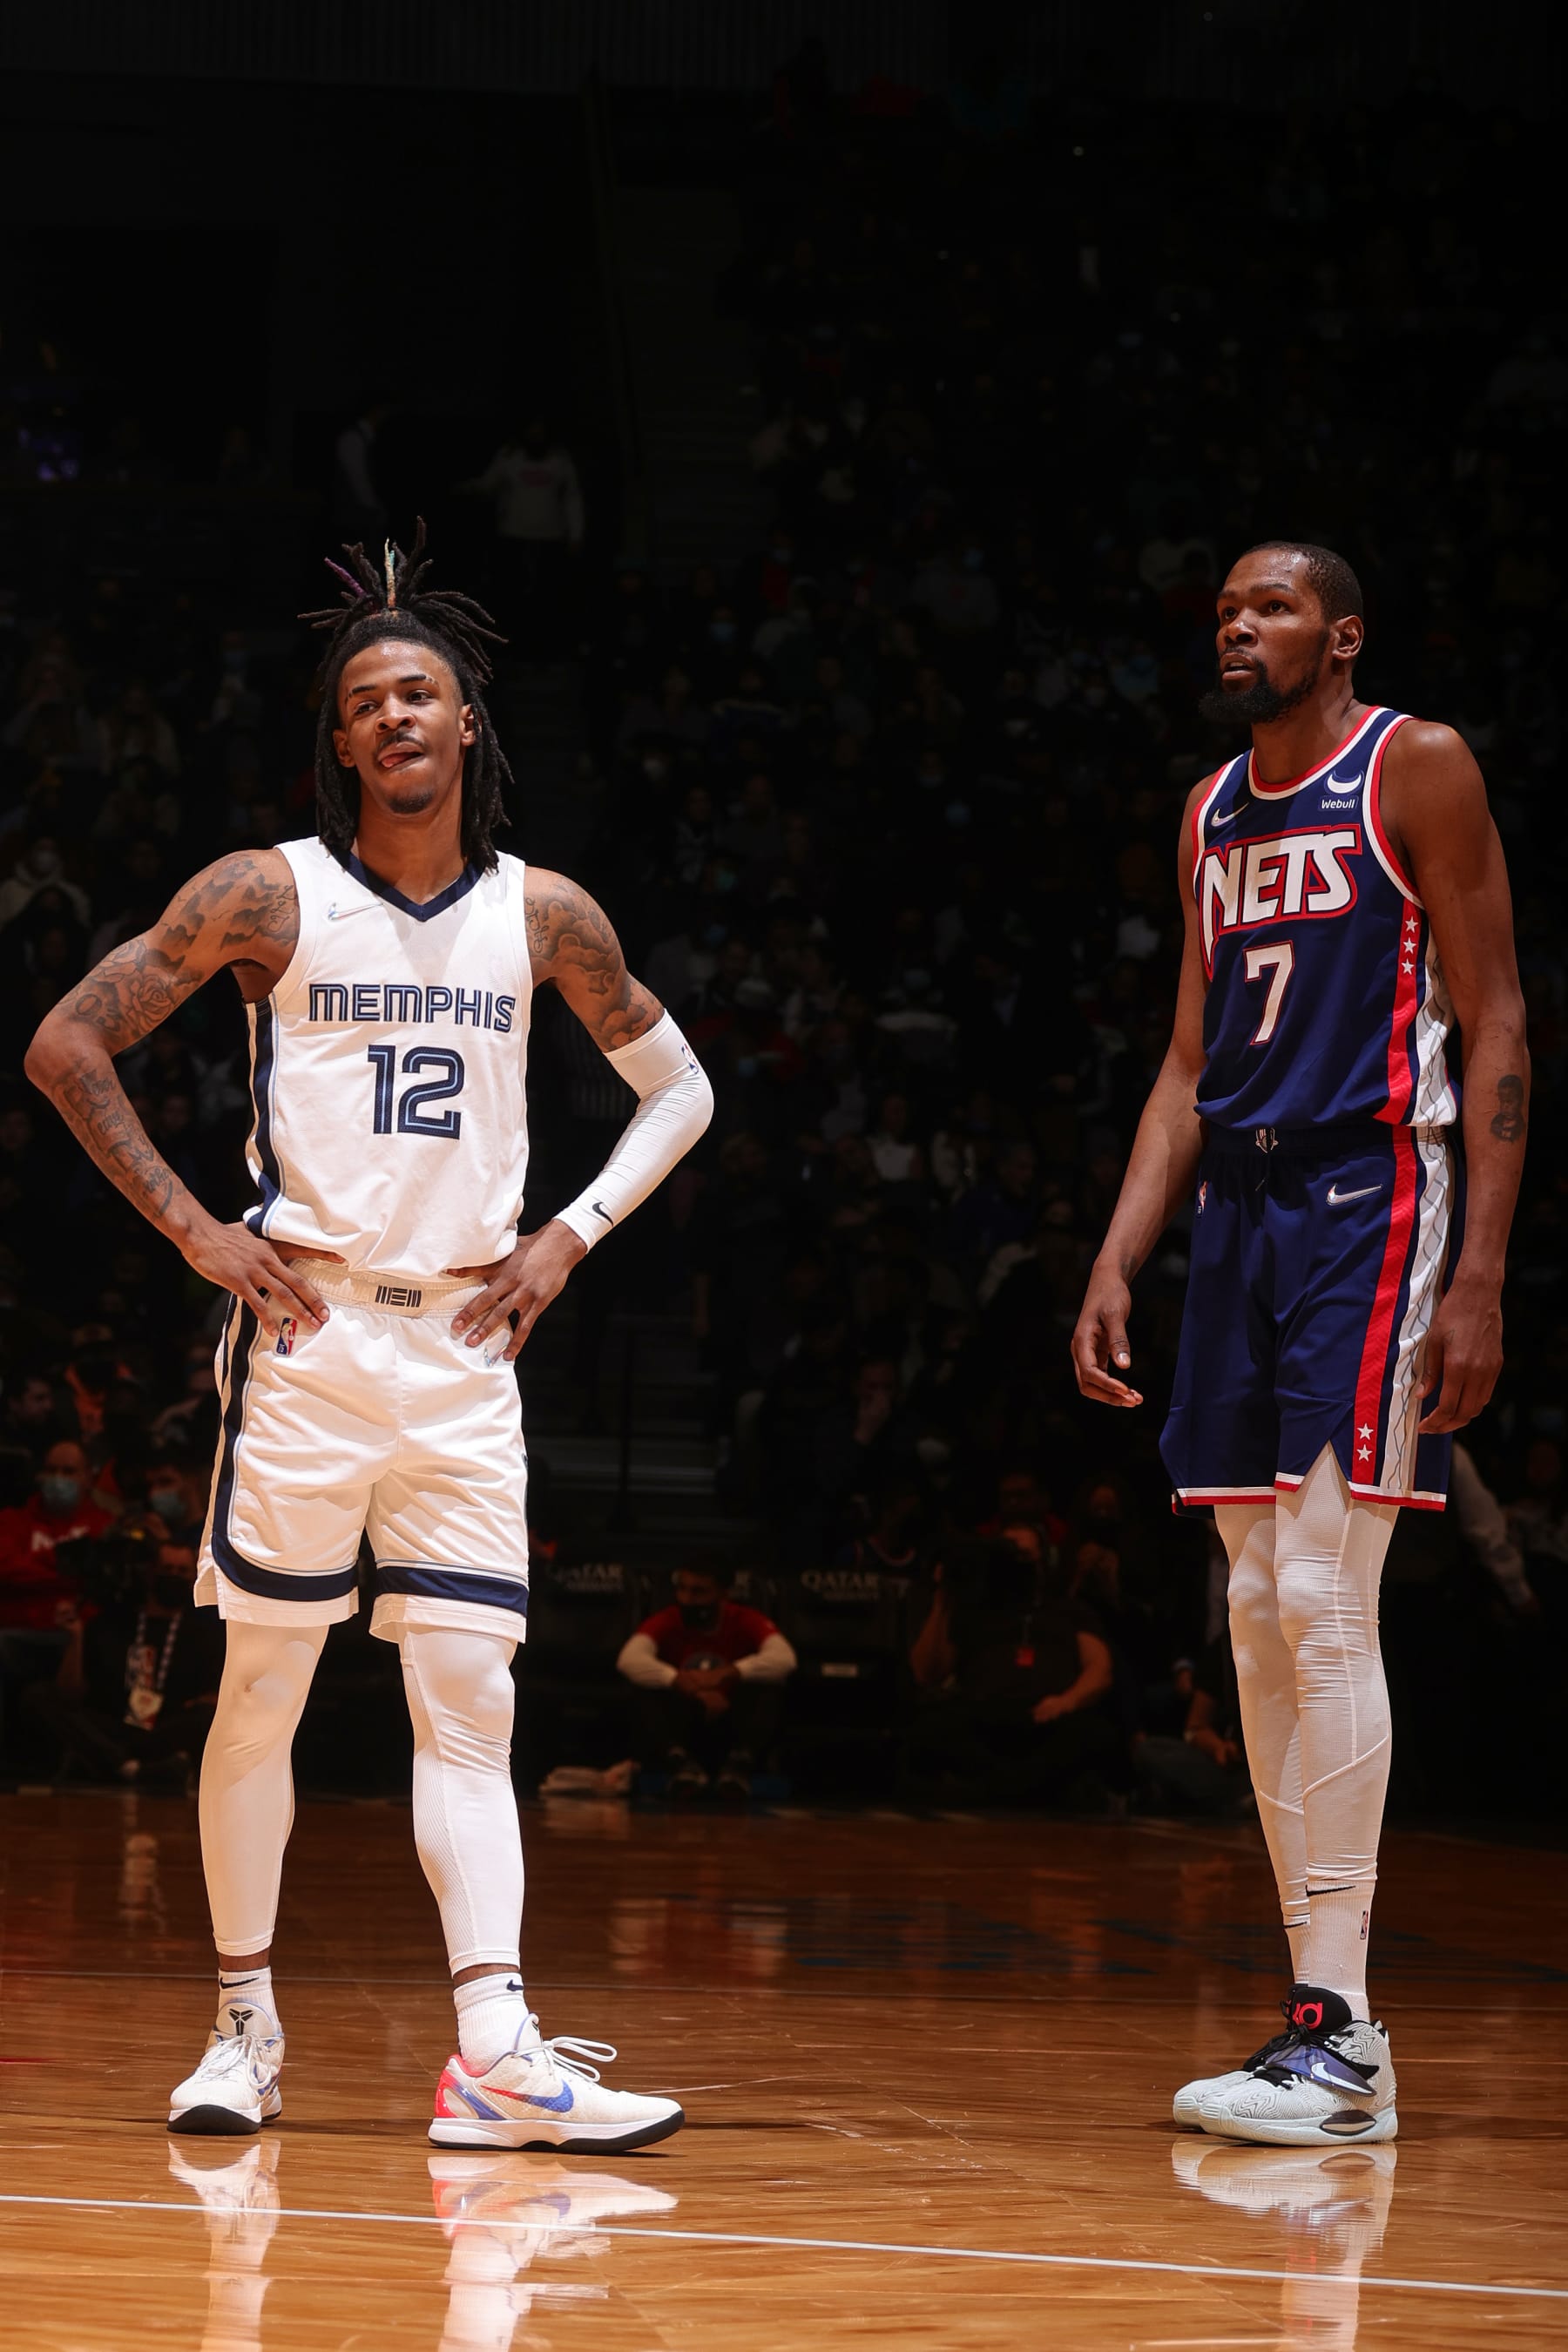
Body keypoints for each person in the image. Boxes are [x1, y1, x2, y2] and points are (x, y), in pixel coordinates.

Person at [26, 524, 713, 2149]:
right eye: (363, 702)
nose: (394, 715)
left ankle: (494, 2053)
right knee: (261, 1687)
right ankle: (242, 2030)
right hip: (312, 1338)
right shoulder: (269, 892)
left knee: (471, 1702)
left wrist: (569, 1234)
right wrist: (197, 1231)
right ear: (339, 743)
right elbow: (66, 1044)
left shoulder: (546, 916)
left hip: (466, 1347)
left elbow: (683, 1089)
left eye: (419, 693)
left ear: (468, 722)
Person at [1072, 541, 1528, 2145]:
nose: (1237, 628)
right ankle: (1317, 2026)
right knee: (1257, 1610)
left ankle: (1342, 2034)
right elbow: (1186, 1061)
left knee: (1326, 1597)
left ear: (1341, 635)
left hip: (1369, 1193)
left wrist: (1481, 1274)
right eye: (1223, 611)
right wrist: (1119, 1250)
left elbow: (1498, 1019)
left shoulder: (1416, 764)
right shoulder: (1210, 809)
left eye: (1269, 608)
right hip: (1239, 1214)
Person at [617, 1563, 796, 1796]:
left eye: (698, 1592)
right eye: (682, 1589)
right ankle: (680, 1765)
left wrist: (728, 1673)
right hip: (685, 1717)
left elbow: (785, 1659)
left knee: (772, 1687)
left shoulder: (745, 1619)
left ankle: (739, 1767)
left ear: (723, 1594)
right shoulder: (667, 1619)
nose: (687, 1599)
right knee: (643, 1688)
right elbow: (628, 1659)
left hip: (732, 1719)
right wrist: (683, 1683)